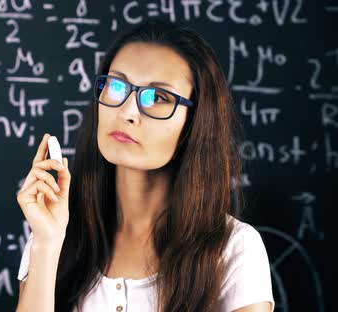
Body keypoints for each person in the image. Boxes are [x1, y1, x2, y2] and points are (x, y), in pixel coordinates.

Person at [15, 19, 275, 312]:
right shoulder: (56, 233)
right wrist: (48, 243)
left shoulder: (233, 250)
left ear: (195, 122)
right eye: (116, 86)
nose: (127, 111)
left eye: (158, 97)